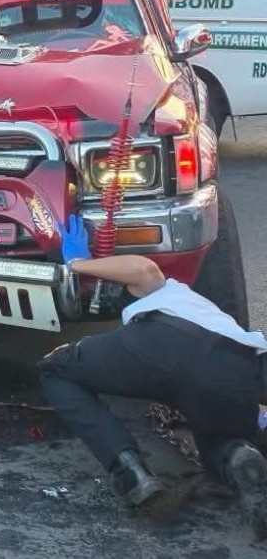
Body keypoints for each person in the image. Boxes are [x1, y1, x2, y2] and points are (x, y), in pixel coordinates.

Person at [40, 215, 267, 538]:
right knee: (217, 444)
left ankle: (132, 474)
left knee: (55, 370)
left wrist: (78, 262)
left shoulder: (167, 292)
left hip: (160, 342)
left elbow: (143, 269)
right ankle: (237, 459)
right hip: (233, 368)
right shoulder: (211, 313)